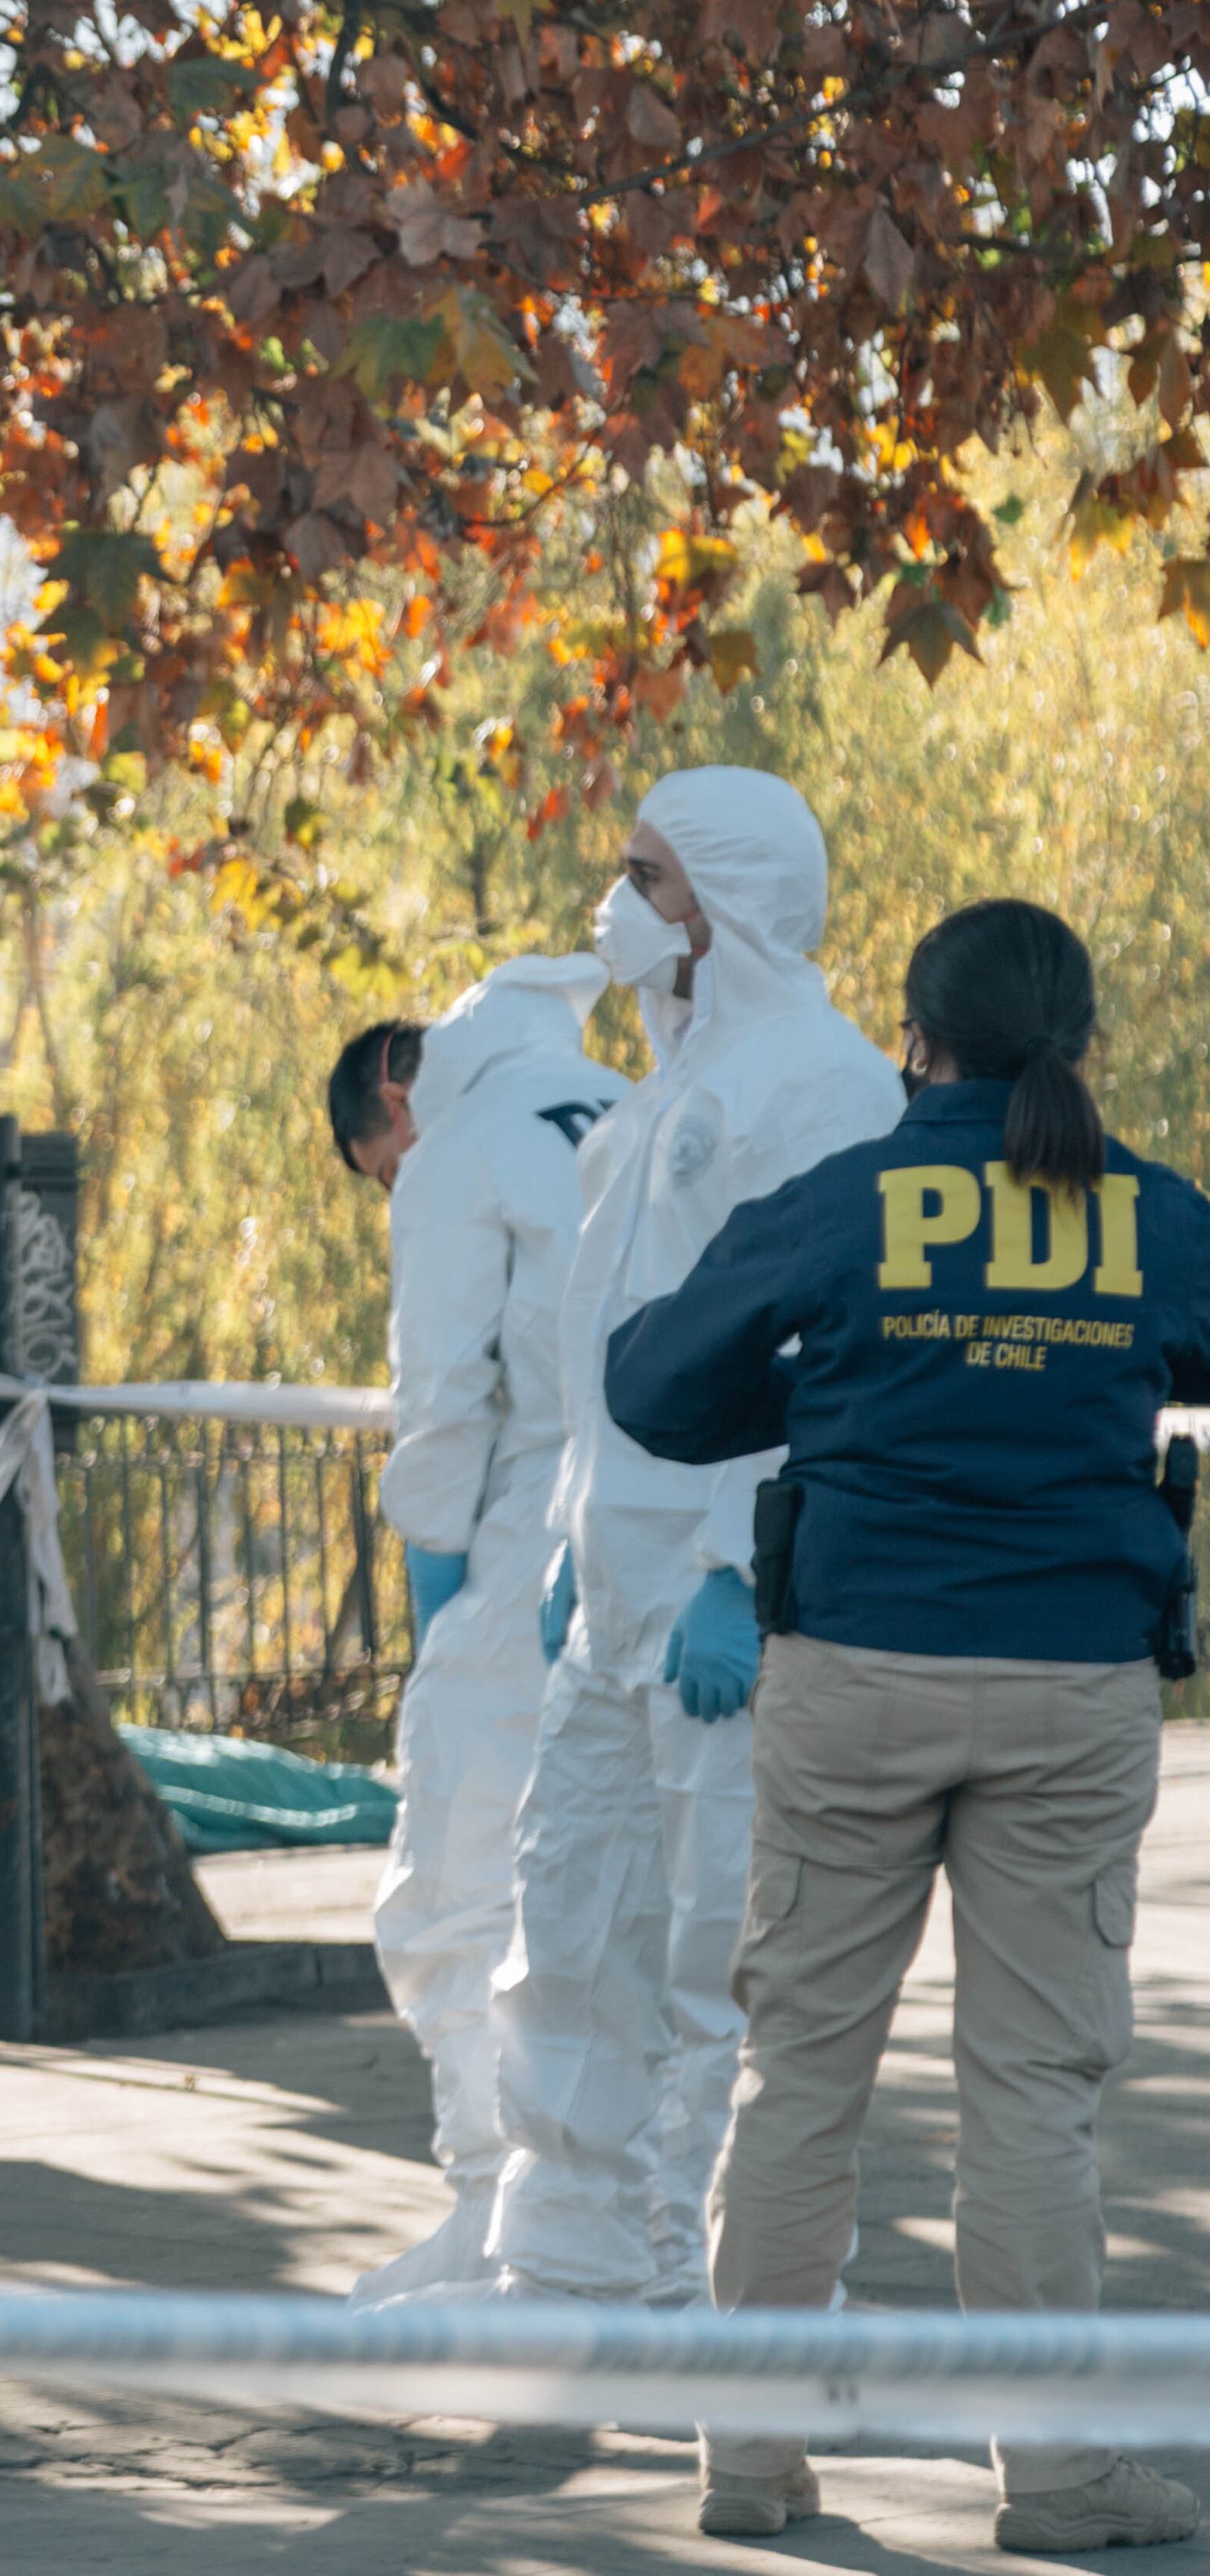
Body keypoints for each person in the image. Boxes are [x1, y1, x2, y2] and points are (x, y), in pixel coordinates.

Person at [606, 898, 1202, 2552]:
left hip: (852, 1675)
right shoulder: (1147, 1216)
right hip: (1073, 1689)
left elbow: (651, 1382)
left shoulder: (861, 1196)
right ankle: (1064, 2481)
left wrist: (820, 1396)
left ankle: (752, 2462)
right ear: (1078, 1045)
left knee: (800, 2072)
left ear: (913, 1040)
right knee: (1032, 2091)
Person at [481, 770, 907, 2306]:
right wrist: (570, 1542)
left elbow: (818, 1351)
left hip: (720, 1595)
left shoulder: (816, 1082)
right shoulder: (669, 1081)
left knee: (724, 1952)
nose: (617, 901)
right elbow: (614, 1346)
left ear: (718, 902)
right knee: (578, 1910)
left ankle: (719, 2301)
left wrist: (739, 1562)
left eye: (643, 874)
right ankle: (572, 2253)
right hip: (614, 1577)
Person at [323, 959, 624, 2303]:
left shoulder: (461, 1146)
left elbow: (442, 1390)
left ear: (396, 1092)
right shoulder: (621, 1093)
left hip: (532, 1526)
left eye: (376, 1168)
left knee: (447, 1882)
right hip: (665, 1527)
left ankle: (488, 2209)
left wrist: (435, 1556)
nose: (393, 1188)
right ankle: (608, 2220)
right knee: (620, 1893)